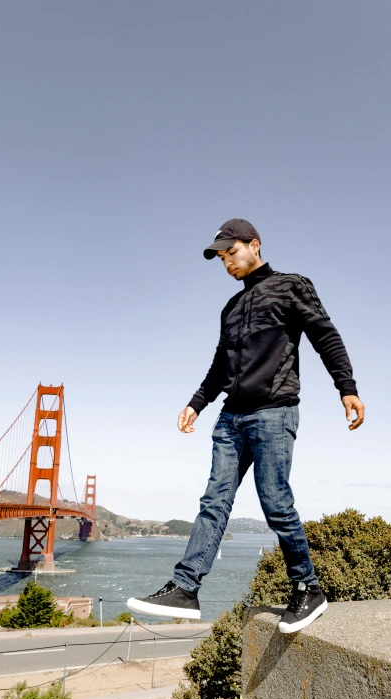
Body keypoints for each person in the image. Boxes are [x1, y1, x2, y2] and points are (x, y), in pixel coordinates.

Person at [127, 218, 365, 633]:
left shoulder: (292, 285)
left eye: (231, 253)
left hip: (273, 412)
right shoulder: (230, 309)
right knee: (213, 502)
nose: (227, 263)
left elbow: (325, 335)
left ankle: (308, 588)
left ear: (254, 245)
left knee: (275, 502)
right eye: (220, 258)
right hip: (230, 418)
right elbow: (221, 366)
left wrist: (346, 386)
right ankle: (185, 588)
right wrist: (197, 402)